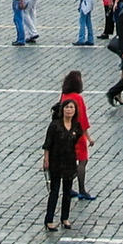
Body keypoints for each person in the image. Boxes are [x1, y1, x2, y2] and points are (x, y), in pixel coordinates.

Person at [42, 97, 84, 230]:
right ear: (62, 110)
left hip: (70, 161)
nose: (69, 110)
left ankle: (65, 218)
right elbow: (47, 144)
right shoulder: (55, 125)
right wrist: (46, 159)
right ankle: (49, 220)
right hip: (56, 161)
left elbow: (76, 140)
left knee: (67, 191)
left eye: (72, 107)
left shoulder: (76, 126)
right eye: (67, 107)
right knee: (54, 191)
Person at [58, 70, 95, 200]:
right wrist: (88, 137)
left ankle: (68, 188)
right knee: (82, 161)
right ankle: (82, 190)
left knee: (71, 161)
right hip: (78, 134)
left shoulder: (64, 95)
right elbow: (83, 119)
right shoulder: (78, 98)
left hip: (66, 132)